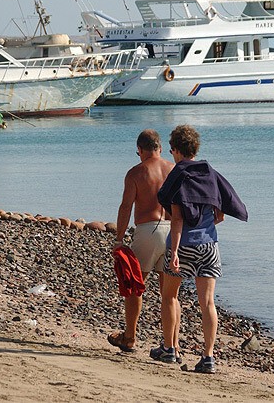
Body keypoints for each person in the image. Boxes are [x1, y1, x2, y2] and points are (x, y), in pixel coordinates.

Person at [152, 124, 248, 372]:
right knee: (207, 303)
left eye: (172, 150)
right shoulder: (210, 174)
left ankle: (169, 349)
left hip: (182, 246)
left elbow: (177, 218)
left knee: (169, 296)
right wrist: (205, 225)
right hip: (209, 245)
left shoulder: (179, 175)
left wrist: (173, 252)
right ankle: (208, 357)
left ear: (175, 151)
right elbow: (221, 215)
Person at [107, 129, 175, 354]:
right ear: (161, 148)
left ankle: (130, 337)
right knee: (170, 293)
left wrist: (119, 238)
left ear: (140, 150)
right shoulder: (173, 169)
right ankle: (171, 344)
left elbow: (126, 206)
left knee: (135, 286)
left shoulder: (136, 172)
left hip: (148, 230)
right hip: (173, 231)